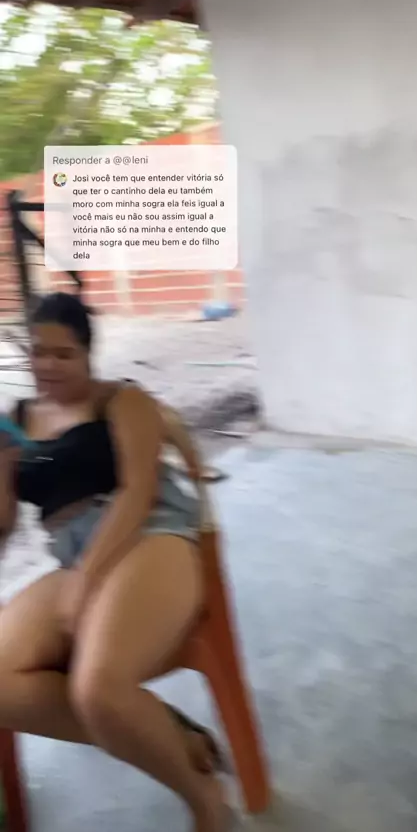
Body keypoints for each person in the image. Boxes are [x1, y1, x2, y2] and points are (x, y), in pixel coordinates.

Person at [0, 292, 230, 832]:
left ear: (88, 354)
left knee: (97, 687)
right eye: (38, 352)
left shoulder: (123, 401)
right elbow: (5, 522)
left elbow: (137, 490)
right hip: (72, 552)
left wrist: (86, 578)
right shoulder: (16, 422)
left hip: (149, 533)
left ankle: (205, 800)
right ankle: (164, 730)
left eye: (64, 354)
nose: (49, 365)